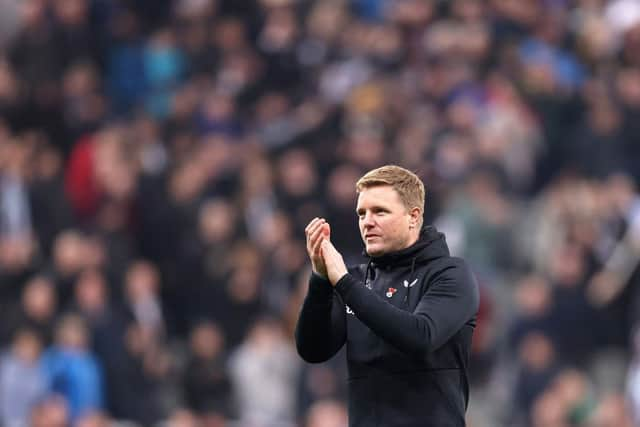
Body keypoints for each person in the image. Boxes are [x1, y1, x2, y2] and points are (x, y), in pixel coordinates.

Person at [295, 165, 479, 426]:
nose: (367, 221)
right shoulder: (359, 280)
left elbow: (421, 336)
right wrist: (320, 280)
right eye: (362, 213)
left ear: (413, 216)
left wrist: (344, 283)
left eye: (380, 211)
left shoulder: (450, 274)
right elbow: (313, 350)